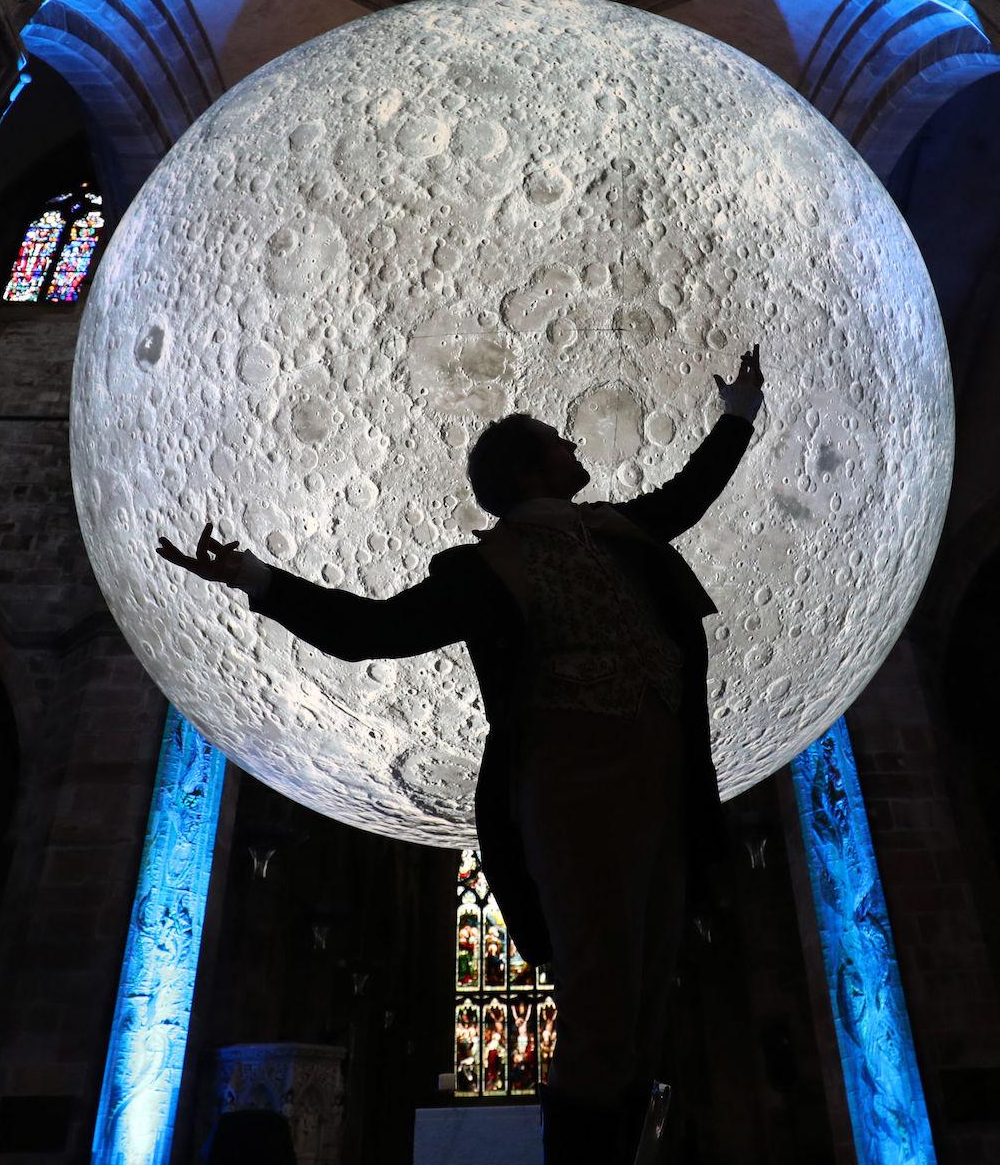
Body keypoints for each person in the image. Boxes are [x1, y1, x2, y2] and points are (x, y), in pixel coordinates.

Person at [157, 346, 765, 1164]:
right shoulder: (484, 569)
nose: (577, 450)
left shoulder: (619, 531)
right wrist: (256, 578)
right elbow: (370, 630)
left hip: (663, 772)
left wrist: (736, 415)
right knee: (600, 997)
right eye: (560, 442)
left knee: (650, 993)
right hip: (570, 781)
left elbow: (690, 496)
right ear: (525, 471)